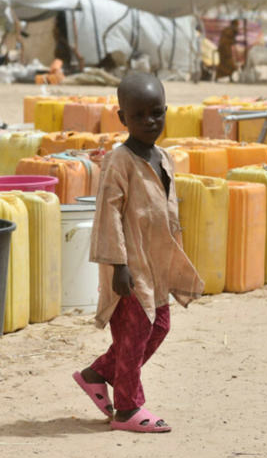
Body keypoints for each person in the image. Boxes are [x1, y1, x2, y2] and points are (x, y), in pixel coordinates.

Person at [73, 73, 204, 433]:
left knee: (159, 326)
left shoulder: (163, 157)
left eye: (157, 113)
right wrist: (118, 265)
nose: (149, 121)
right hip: (129, 266)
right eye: (139, 115)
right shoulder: (119, 161)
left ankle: (97, 373)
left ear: (166, 112)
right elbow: (108, 214)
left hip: (155, 262)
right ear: (122, 118)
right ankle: (128, 408)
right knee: (133, 335)